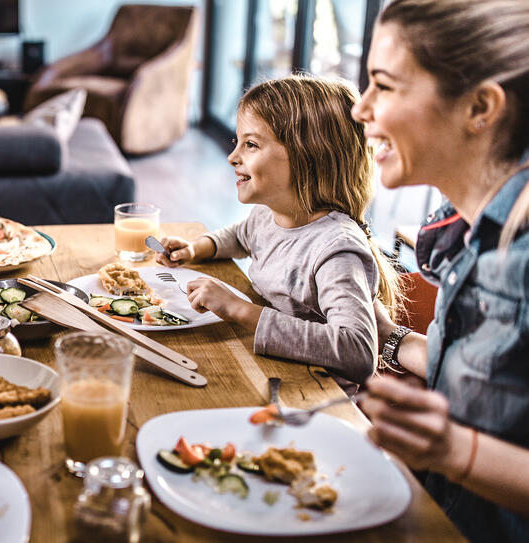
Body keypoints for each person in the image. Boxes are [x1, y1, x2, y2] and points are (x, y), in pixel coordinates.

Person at [349, 0, 529, 540]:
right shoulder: (471, 233)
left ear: (480, 107)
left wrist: (454, 449)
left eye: (384, 85)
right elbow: (498, 385)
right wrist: (391, 337)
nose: (361, 108)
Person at [156, 75, 401, 388]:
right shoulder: (268, 216)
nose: (233, 157)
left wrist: (240, 310)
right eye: (238, 143)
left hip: (314, 398)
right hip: (267, 371)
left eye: (251, 145)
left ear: (308, 157)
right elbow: (240, 235)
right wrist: (196, 249)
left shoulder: (336, 248)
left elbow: (357, 352)